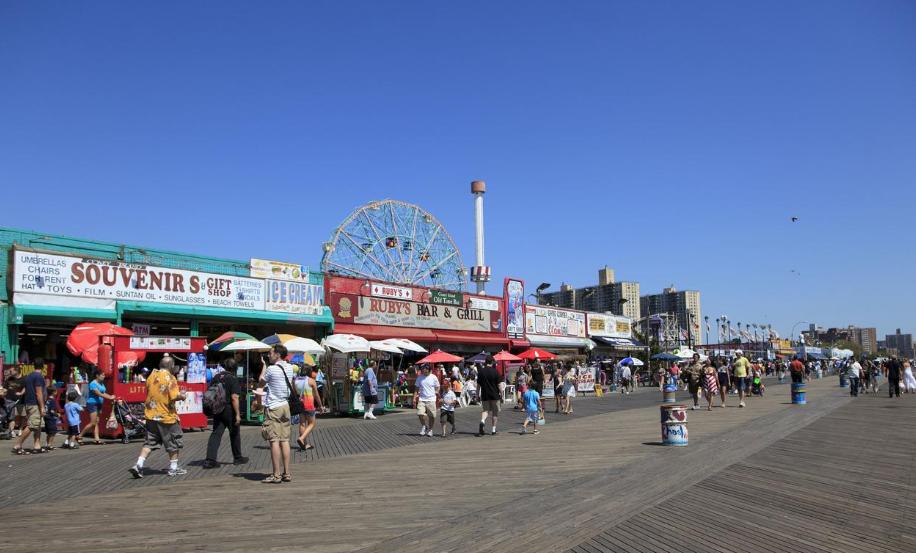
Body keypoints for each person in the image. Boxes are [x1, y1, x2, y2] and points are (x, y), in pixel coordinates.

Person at [129, 356, 187, 478]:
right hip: (166, 416)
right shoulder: (171, 378)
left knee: (149, 442)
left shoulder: (151, 376)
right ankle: (173, 468)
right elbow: (174, 396)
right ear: (171, 366)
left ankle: (139, 464)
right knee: (173, 441)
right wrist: (182, 395)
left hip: (150, 415)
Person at [257, 345, 296, 484]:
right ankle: (287, 473)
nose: (269, 355)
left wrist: (264, 366)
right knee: (285, 440)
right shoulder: (290, 368)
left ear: (278, 354)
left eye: (270, 353)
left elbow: (261, 382)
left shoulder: (272, 369)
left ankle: (276, 475)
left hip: (274, 407)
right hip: (286, 406)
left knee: (274, 441)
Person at [203, 357, 248, 469]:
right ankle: (237, 458)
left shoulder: (216, 377)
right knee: (234, 433)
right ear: (235, 368)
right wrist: (237, 414)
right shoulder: (233, 379)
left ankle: (210, 460)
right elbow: (234, 397)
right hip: (229, 409)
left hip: (218, 409)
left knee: (216, 434)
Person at [12, 364, 46, 455]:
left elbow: (25, 389)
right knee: (32, 425)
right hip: (35, 404)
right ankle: (17, 445)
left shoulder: (28, 376)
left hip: (29, 403)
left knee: (38, 425)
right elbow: (39, 392)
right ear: (42, 366)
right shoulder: (38, 377)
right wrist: (42, 406)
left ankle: (37, 445)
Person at [79, 369, 116, 445]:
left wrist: (111, 396)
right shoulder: (93, 383)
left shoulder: (101, 383)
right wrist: (110, 397)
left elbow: (104, 392)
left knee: (96, 422)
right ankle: (79, 435)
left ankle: (97, 439)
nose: (104, 376)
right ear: (97, 375)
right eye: (102, 375)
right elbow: (99, 393)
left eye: (104, 375)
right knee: (93, 423)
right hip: (92, 404)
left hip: (99, 404)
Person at [293, 365, 323, 451]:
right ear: (309, 371)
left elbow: (295, 393)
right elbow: (316, 395)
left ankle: (305, 444)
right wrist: (320, 406)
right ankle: (301, 438)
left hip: (300, 405)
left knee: (302, 423)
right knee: (312, 423)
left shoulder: (296, 380)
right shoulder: (311, 381)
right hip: (309, 404)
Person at [477, 357, 501, 436]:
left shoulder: (481, 372)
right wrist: (501, 393)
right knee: (495, 412)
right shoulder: (495, 371)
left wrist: (477, 395)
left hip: (485, 394)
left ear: (485, 362)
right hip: (495, 395)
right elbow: (499, 385)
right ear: (492, 362)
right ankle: (493, 430)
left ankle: (482, 421)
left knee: (485, 410)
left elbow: (478, 385)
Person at [413, 364, 439, 437]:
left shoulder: (433, 377)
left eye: (425, 369)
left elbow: (438, 386)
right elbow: (416, 389)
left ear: (429, 370)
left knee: (432, 416)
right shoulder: (419, 378)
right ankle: (424, 426)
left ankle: (430, 429)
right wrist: (414, 398)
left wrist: (436, 392)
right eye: (423, 369)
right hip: (422, 398)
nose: (423, 370)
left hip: (431, 399)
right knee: (420, 413)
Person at [43, 385, 61, 450]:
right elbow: (52, 411)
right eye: (56, 391)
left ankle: (47, 444)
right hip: (51, 418)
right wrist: (57, 415)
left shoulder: (47, 400)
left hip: (46, 417)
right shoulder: (53, 401)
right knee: (53, 432)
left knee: (49, 433)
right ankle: (50, 445)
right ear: (54, 392)